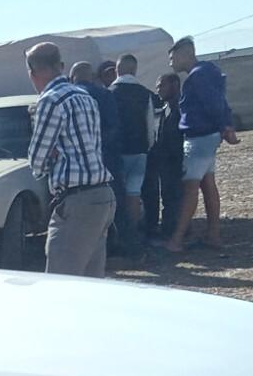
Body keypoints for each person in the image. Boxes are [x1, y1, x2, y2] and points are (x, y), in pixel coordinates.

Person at [26, 42, 115, 277]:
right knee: (91, 281)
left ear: (33, 72)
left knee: (60, 283)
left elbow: (37, 162)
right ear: (61, 66)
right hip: (102, 195)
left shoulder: (50, 101)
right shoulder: (84, 96)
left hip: (77, 201)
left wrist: (53, 155)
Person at [162, 36, 239, 254]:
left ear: (186, 54)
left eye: (173, 57)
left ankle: (176, 239)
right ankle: (213, 234)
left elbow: (213, 104)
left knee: (190, 188)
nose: (171, 63)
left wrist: (225, 125)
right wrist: (225, 125)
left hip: (199, 138)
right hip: (207, 136)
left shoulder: (198, 77)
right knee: (207, 184)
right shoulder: (207, 72)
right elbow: (219, 102)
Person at [109, 54, 158, 250]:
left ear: (117, 70)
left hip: (117, 151)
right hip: (139, 150)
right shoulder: (145, 94)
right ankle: (134, 232)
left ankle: (120, 234)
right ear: (135, 70)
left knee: (117, 194)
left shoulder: (109, 93)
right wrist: (147, 147)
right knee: (134, 192)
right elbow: (150, 125)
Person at [146, 72, 185, 240]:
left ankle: (177, 230)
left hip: (177, 161)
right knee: (168, 196)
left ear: (175, 85)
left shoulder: (182, 108)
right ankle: (169, 228)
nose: (158, 89)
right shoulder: (165, 109)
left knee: (176, 197)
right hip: (165, 162)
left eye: (162, 85)